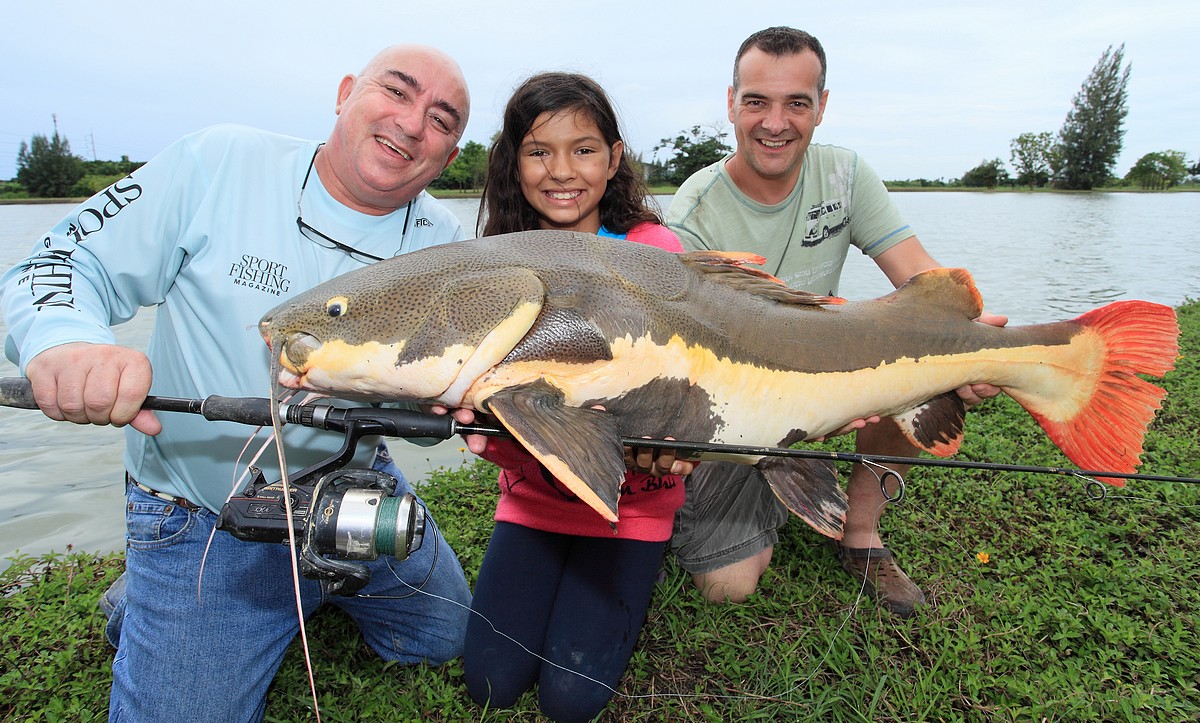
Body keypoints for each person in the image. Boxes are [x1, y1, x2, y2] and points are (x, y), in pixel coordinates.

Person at [2, 45, 474, 721]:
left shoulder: (445, 238)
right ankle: (153, 594)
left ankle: (308, 588)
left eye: (440, 118)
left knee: (444, 638)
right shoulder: (216, 162)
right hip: (206, 510)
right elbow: (58, 259)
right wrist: (66, 341)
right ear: (344, 93)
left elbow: (438, 397)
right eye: (395, 92)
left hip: (353, 485)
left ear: (451, 155)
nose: (410, 123)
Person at [665, 27, 1005, 617]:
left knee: (921, 357)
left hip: (837, 380)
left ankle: (861, 536)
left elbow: (922, 279)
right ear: (730, 104)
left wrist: (975, 347)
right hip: (740, 404)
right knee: (728, 586)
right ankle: (788, 483)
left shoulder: (845, 175)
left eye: (797, 102)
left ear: (821, 106)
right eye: (757, 102)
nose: (776, 122)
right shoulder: (692, 212)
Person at [458, 71, 689, 722]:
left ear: (614, 159)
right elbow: (496, 432)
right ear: (514, 161)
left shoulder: (653, 249)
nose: (562, 171)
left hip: (631, 506)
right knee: (490, 682)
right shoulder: (496, 263)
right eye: (538, 151)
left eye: (584, 149)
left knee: (570, 699)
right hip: (534, 499)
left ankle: (651, 556)